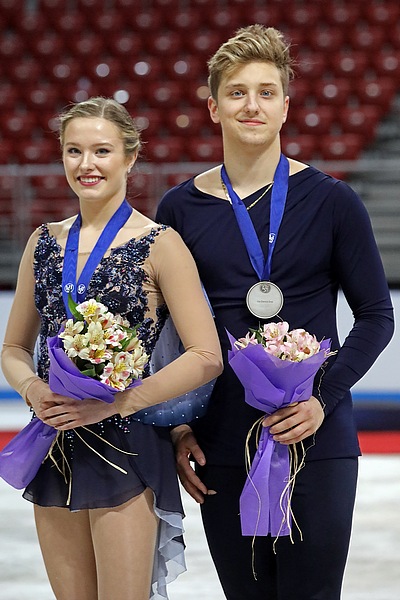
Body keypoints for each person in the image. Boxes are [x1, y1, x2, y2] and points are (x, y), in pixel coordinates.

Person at [155, 24, 395, 600]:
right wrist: (179, 424)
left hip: (317, 437)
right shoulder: (180, 209)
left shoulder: (333, 202)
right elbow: (165, 331)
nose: (252, 105)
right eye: (237, 92)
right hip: (221, 441)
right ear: (213, 107)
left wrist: (322, 399)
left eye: (267, 92)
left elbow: (376, 316)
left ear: (286, 106)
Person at [1, 97, 222, 600]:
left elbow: (207, 355)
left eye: (101, 150)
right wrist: (33, 390)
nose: (86, 164)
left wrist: (123, 401)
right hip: (54, 440)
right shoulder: (43, 243)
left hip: (127, 444)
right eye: (73, 151)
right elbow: (13, 347)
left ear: (130, 156)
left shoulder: (160, 243)